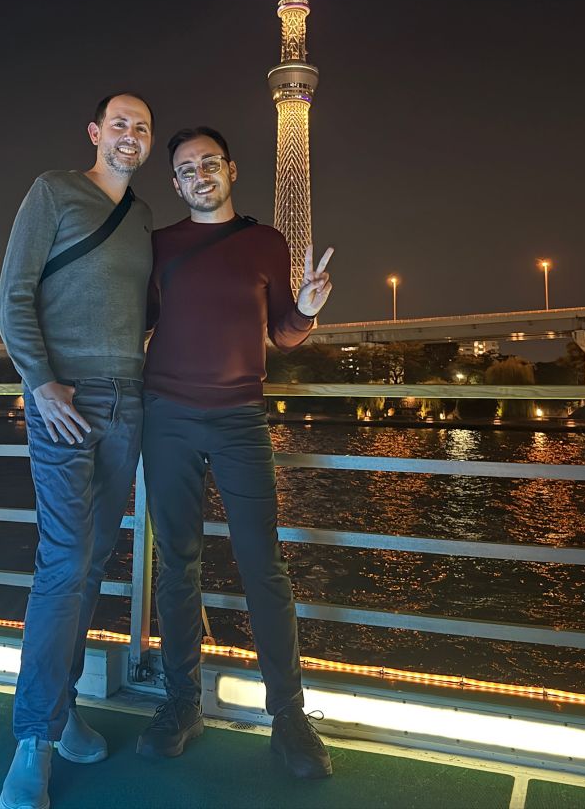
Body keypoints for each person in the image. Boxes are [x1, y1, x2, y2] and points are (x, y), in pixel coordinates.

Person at [137, 126, 334, 780]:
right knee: (177, 567)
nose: (199, 173)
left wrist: (304, 309)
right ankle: (181, 703)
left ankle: (290, 718)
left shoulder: (265, 243)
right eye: (186, 167)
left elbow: (283, 332)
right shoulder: (158, 246)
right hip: (165, 417)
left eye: (209, 162)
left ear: (232, 169)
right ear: (175, 182)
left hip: (240, 418)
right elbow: (132, 322)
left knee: (263, 566)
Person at [0, 92, 154, 809]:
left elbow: (156, 311)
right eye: (119, 124)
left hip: (128, 402)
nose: (131, 135)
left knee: (90, 564)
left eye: (141, 128)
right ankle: (32, 740)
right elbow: (12, 295)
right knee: (63, 564)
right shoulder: (53, 190)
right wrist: (42, 383)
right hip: (64, 402)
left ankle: (60, 714)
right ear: (96, 133)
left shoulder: (146, 219)